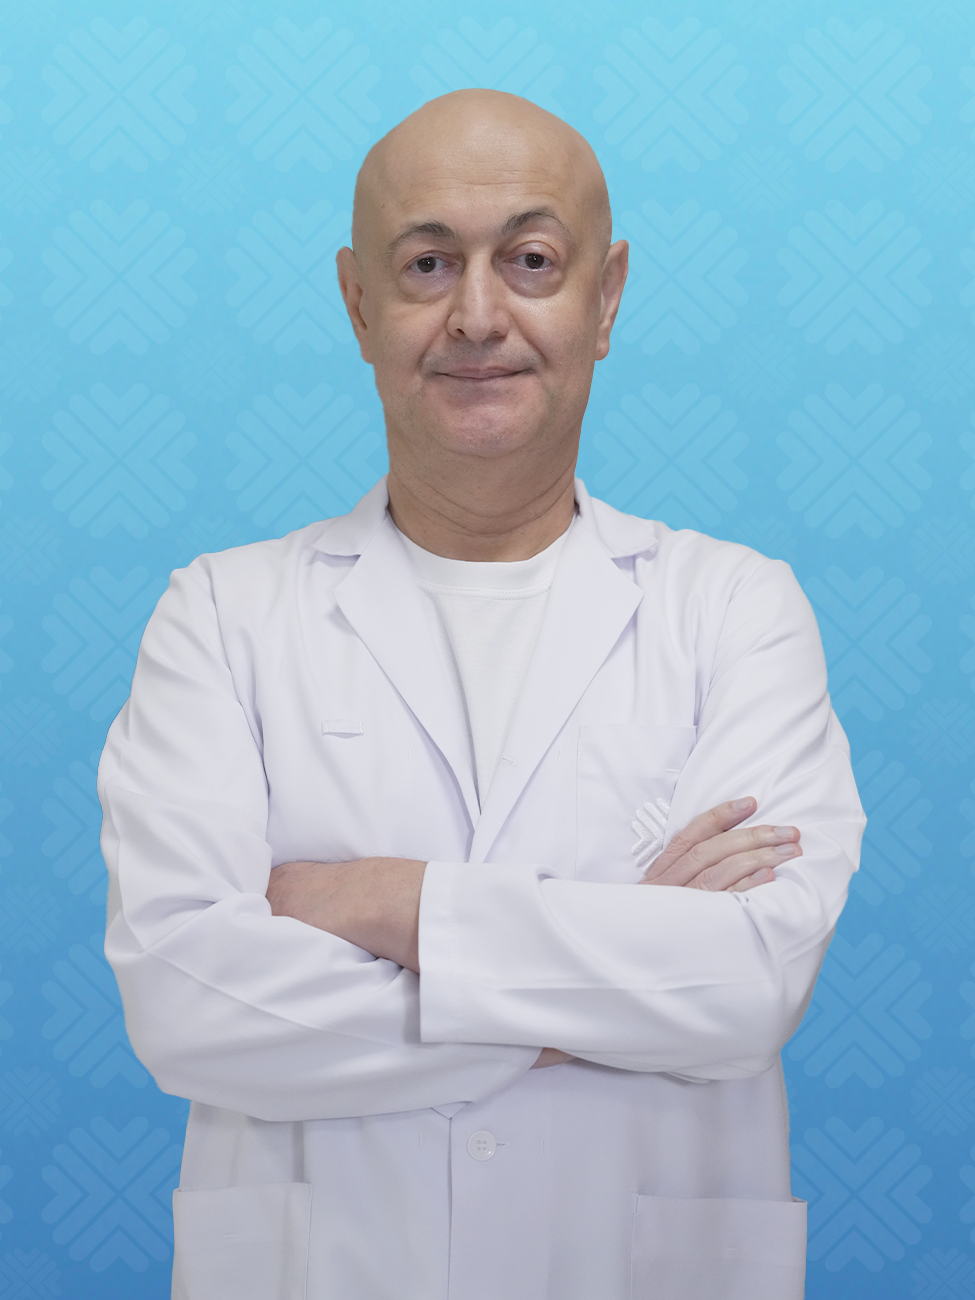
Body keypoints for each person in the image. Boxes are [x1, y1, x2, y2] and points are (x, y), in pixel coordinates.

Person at [99, 90, 865, 1300]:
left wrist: (377, 899)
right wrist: (621, 971)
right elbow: (188, 1002)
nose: (476, 315)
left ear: (606, 296)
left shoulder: (733, 608)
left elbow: (745, 983)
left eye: (531, 260)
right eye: (426, 263)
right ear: (359, 302)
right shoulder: (222, 616)